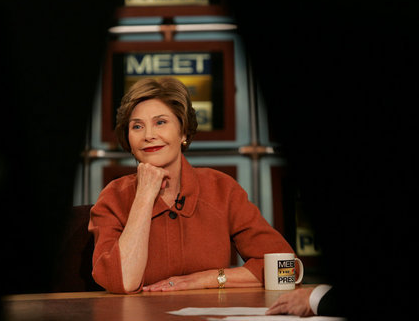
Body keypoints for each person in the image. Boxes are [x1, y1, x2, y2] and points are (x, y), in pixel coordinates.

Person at [88, 77, 294, 294]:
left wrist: (205, 279)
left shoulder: (221, 189)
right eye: (137, 126)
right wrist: (145, 195)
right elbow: (122, 282)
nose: (148, 135)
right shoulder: (113, 197)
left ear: (183, 132)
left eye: (160, 122)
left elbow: (286, 269)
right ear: (128, 140)